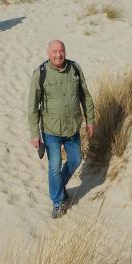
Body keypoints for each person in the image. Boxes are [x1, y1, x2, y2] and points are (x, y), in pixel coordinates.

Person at [27, 40, 96, 219]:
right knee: (54, 167)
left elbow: (85, 96)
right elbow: (32, 106)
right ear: (48, 53)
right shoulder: (40, 74)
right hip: (51, 131)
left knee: (75, 160)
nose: (59, 55)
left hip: (72, 128)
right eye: (55, 51)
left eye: (61, 51)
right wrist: (35, 134)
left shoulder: (74, 69)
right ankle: (58, 202)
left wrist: (90, 120)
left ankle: (59, 187)